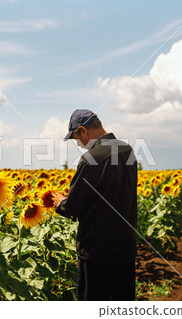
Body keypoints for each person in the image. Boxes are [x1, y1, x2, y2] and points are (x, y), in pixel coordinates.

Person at [52, 109, 138, 301]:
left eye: (76, 138)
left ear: (83, 130)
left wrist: (61, 202)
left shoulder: (93, 158)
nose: (79, 145)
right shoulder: (127, 150)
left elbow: (72, 208)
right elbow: (114, 191)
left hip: (97, 250)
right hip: (125, 245)